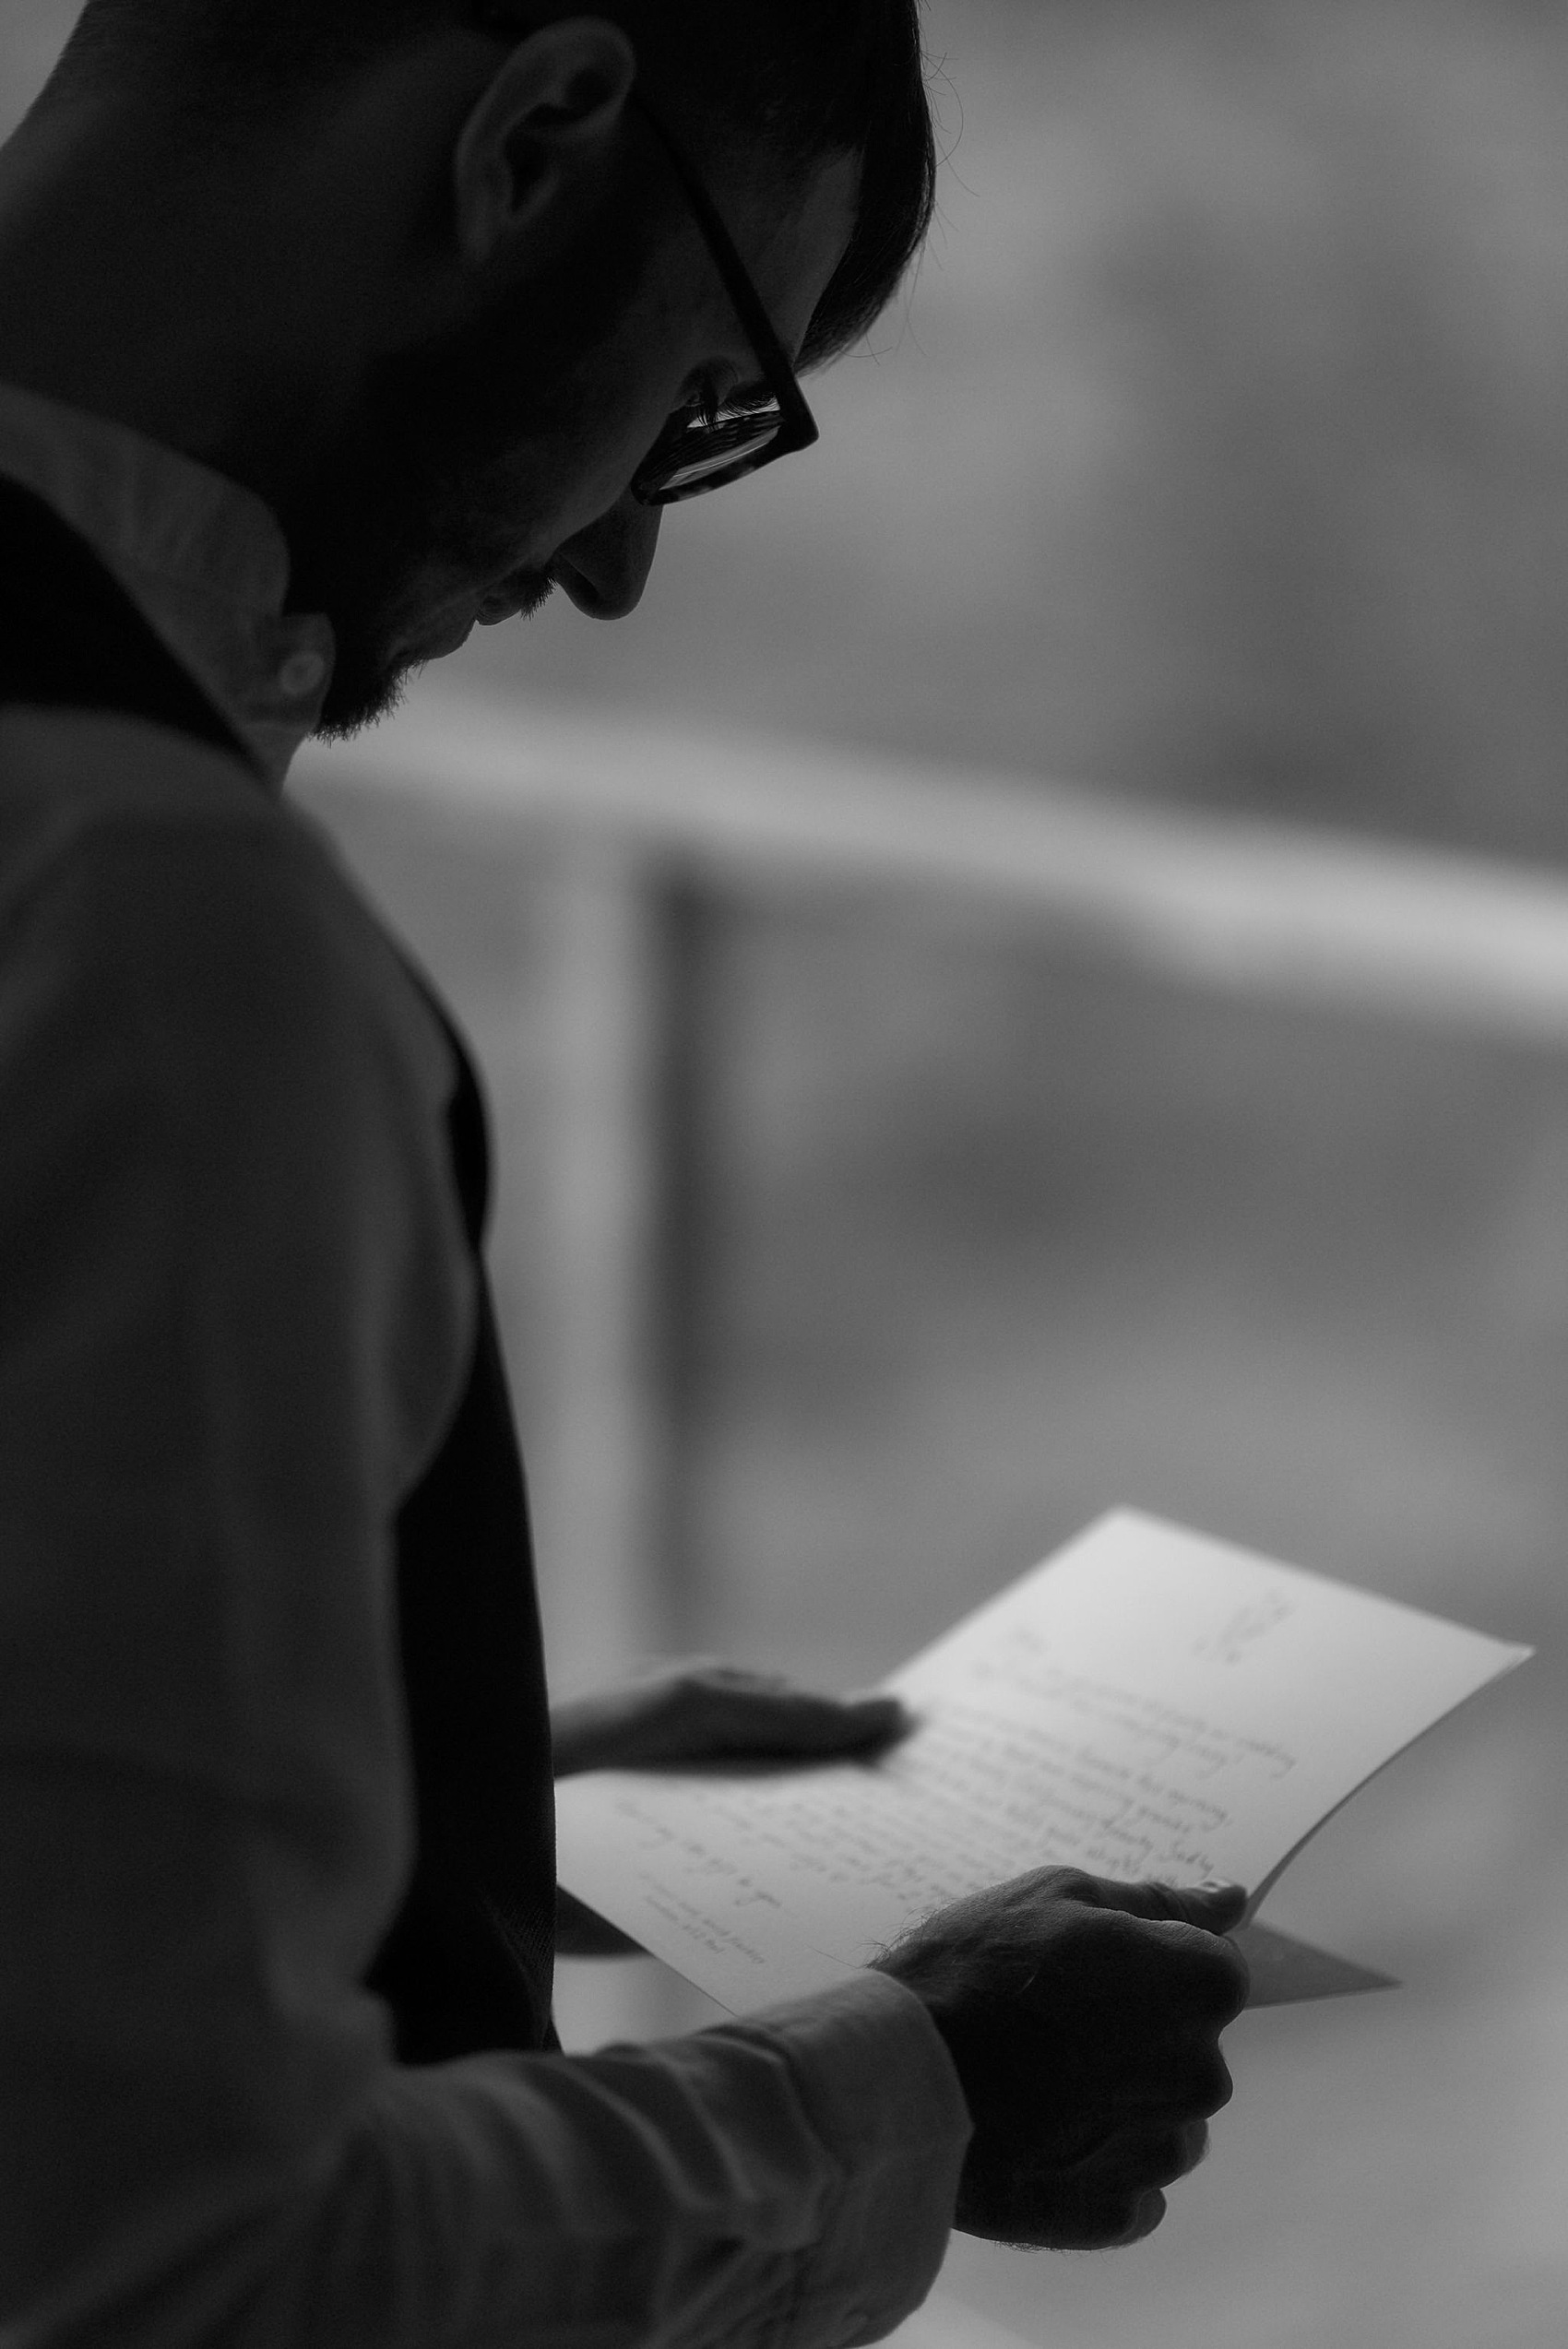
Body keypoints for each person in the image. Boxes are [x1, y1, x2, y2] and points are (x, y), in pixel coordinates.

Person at [0, 4, 1251, 2343]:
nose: (617, 569)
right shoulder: (145, 919)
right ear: (536, 142)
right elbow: (165, 2259)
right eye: (704, 401)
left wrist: (414, 1790)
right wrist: (914, 2086)